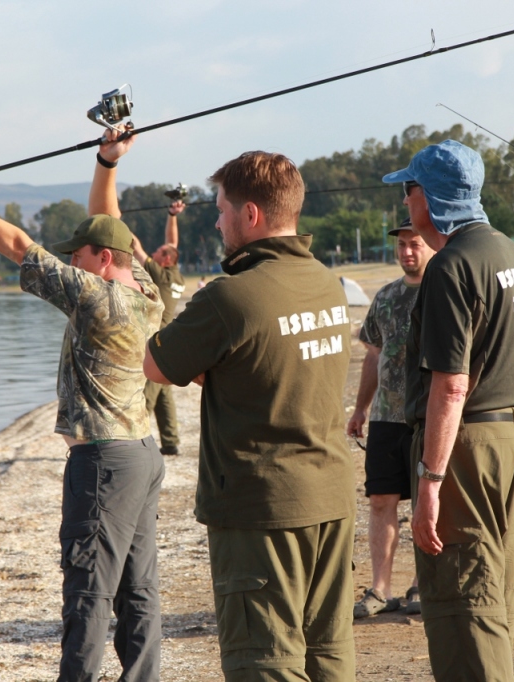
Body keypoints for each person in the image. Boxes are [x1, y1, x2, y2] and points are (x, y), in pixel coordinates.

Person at [0, 129, 166, 682]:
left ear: (102, 261)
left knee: (88, 591)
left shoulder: (95, 295)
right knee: (138, 590)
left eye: (78, 256)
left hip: (104, 461)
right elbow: (112, 223)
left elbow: (18, 247)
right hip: (143, 454)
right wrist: (107, 162)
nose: (72, 264)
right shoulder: (147, 291)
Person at [144, 150, 357, 681]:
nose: (217, 221)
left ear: (251, 215)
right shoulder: (327, 283)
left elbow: (157, 364)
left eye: (221, 209)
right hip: (330, 497)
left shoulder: (231, 297)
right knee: (328, 651)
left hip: (263, 510)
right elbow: (266, 362)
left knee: (264, 661)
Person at [384, 140, 514, 681]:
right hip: (510, 443)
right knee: (495, 600)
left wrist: (429, 481)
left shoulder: (451, 266)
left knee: (465, 610)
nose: (406, 206)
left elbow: (451, 386)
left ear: (427, 198)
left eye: (409, 192)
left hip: (464, 450)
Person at [347, 217, 433, 618]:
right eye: (401, 245)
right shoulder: (385, 297)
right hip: (384, 419)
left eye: (414, 244)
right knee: (380, 500)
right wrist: (361, 408)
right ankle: (379, 590)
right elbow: (373, 356)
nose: (407, 252)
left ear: (430, 244)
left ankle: (423, 584)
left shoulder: (444, 292)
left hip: (427, 419)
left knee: (424, 502)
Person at [132, 202, 187, 455]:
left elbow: (136, 248)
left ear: (165, 259)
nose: (154, 253)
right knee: (164, 394)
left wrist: (112, 217)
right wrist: (172, 215)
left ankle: (134, 441)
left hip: (156, 340)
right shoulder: (175, 276)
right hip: (170, 340)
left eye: (159, 252)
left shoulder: (160, 274)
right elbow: (172, 242)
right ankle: (170, 442)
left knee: (147, 394)